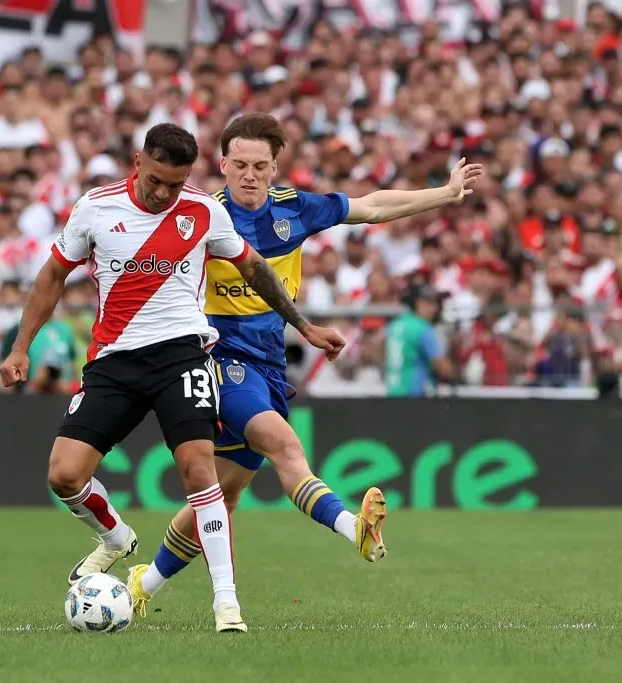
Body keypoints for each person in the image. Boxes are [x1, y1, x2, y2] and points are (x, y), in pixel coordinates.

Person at [127, 113, 482, 613]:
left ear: (275, 168)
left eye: (260, 166)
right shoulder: (201, 217)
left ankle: (142, 588)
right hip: (217, 361)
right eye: (240, 165)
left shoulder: (296, 211)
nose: (249, 175)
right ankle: (352, 527)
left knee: (221, 497)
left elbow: (372, 207)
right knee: (284, 446)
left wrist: (444, 194)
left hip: (270, 366)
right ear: (222, 165)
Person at [0, 123, 345, 633]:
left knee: (199, 472)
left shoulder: (204, 210)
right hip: (114, 361)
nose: (164, 193)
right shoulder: (96, 207)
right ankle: (116, 537)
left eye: (176, 184)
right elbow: (53, 275)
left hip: (184, 356)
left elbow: (255, 269)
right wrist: (21, 346)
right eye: (157, 180)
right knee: (64, 474)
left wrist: (304, 325)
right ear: (139, 162)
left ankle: (226, 603)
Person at [386, 284, 459, 396]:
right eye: (430, 303)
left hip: (391, 391)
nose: (435, 309)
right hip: (414, 394)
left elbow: (376, 346)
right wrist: (458, 374)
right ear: (418, 303)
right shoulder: (422, 328)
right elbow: (440, 365)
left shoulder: (395, 325)